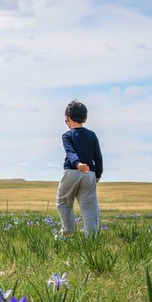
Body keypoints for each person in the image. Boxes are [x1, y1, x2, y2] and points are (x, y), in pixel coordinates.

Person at [57, 100, 103, 235]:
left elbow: (70, 152)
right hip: (89, 173)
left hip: (72, 171)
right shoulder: (92, 135)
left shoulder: (67, 135)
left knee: (64, 202)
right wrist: (98, 174)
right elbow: (98, 156)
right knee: (90, 208)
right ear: (85, 118)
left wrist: (77, 164)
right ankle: (91, 238)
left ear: (67, 118)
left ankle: (68, 232)